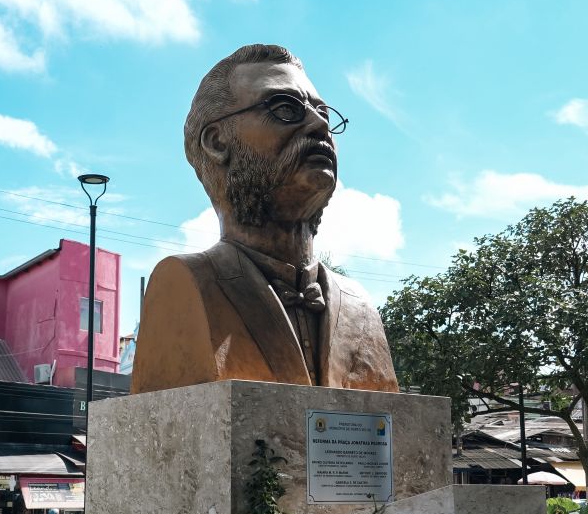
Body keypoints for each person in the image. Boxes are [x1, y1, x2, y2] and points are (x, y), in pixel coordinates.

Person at [130, 44, 399, 394]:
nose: (319, 125)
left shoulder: (360, 305)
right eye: (285, 109)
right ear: (216, 141)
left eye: (324, 114)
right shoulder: (185, 285)